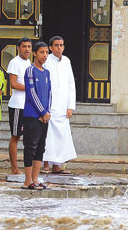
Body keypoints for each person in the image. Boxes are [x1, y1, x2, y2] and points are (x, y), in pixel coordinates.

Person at [42, 36, 77, 174]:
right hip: (50, 104)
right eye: (56, 45)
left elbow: (70, 84)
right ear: (50, 47)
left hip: (63, 105)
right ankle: (45, 165)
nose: (59, 48)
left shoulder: (66, 61)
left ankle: (57, 166)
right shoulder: (46, 61)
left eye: (61, 45)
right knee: (48, 135)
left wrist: (70, 106)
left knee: (61, 135)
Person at [22, 42, 52, 190]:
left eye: (46, 52)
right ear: (34, 53)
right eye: (41, 52)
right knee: (30, 147)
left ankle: (35, 178)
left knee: (40, 148)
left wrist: (48, 112)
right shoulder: (30, 71)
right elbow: (31, 93)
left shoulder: (46, 72)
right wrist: (42, 112)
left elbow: (49, 93)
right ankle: (27, 180)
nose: (45, 55)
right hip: (32, 115)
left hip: (44, 117)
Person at [7, 38, 33, 175]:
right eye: (24, 46)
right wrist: (30, 89)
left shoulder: (29, 63)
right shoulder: (14, 62)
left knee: (28, 137)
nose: (27, 49)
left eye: (29, 46)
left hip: (28, 105)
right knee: (15, 136)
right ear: (18, 48)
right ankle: (14, 168)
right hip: (17, 105)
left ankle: (27, 167)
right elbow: (14, 84)